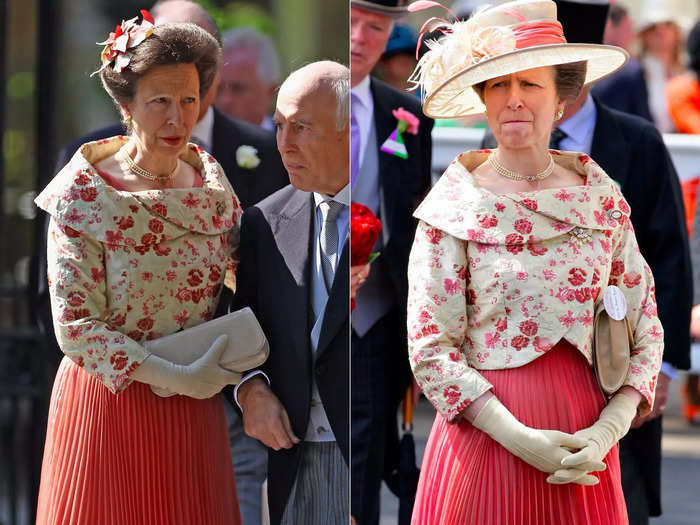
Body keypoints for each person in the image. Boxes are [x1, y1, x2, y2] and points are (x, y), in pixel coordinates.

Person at [408, 1, 664, 524]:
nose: (514, 100)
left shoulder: (601, 198)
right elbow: (431, 347)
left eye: (530, 84)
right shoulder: (455, 205)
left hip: (583, 445)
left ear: (562, 100)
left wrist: (606, 431)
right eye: (499, 85)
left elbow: (645, 326)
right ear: (482, 99)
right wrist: (520, 440)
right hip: (486, 440)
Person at [34, 4, 285, 523]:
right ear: (126, 104)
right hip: (110, 401)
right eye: (160, 102)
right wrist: (175, 373)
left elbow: (250, 274)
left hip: (193, 408)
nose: (178, 117)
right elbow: (75, 326)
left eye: (190, 99)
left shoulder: (209, 176)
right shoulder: (86, 186)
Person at [482, 2, 693, 521]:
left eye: (537, 80)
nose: (519, 98)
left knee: (621, 494)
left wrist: (659, 368)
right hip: (518, 391)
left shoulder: (637, 141)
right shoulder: (493, 156)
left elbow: (667, 256)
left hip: (619, 368)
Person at [220, 61, 350, 525]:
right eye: (278, 125)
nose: (283, 143)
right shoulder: (263, 223)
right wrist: (250, 389)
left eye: (301, 127)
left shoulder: (395, 217)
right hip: (292, 458)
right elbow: (239, 329)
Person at [350, 1, 434, 523]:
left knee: (367, 453)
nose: (359, 37)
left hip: (378, 316)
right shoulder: (285, 106)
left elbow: (417, 220)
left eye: (375, 27)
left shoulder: (406, 118)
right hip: (301, 313)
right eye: (350, 22)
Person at [591, 2, 653, 122]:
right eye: (628, 28)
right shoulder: (631, 70)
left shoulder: (578, 62)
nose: (632, 35)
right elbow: (644, 119)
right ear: (609, 26)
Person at [214, 27, 281, 130]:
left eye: (238, 88)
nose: (225, 101)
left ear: (271, 92)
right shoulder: (196, 142)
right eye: (218, 89)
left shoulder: (289, 144)